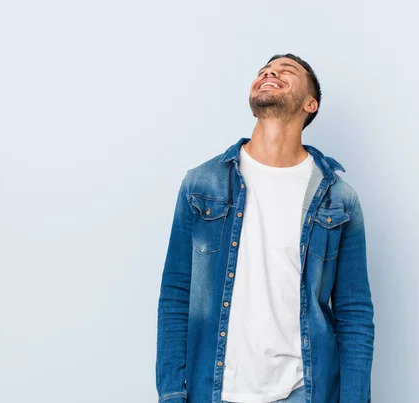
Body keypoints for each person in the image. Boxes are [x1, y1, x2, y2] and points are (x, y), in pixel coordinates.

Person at [156, 53, 375, 403]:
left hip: (303, 391)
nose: (270, 72)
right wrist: (171, 393)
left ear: (310, 103)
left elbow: (355, 315)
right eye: (264, 70)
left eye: (285, 71)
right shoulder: (202, 184)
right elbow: (176, 297)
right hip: (214, 391)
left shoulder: (338, 199)